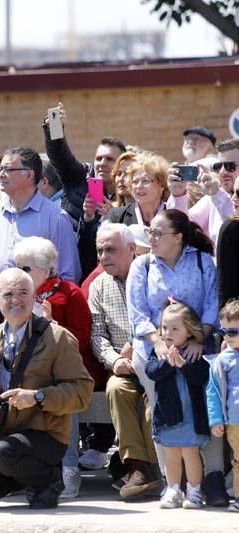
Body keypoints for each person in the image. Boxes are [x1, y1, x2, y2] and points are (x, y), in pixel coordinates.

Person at [0, 268, 94, 510]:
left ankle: (49, 481)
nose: (16, 299)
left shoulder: (58, 338)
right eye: (8, 294)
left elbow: (82, 391)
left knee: (2, 453)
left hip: (45, 434)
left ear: (35, 297)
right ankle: (21, 478)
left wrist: (38, 397)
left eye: (23, 292)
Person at [126, 209, 228, 507]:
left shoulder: (201, 262)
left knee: (207, 410)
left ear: (178, 237)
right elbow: (138, 312)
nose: (151, 238)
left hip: (198, 349)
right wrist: (157, 341)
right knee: (163, 413)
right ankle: (173, 484)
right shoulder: (142, 266)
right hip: (154, 351)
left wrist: (199, 337)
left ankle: (211, 478)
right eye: (150, 232)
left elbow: (212, 303)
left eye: (158, 233)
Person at [13, 236, 104, 499]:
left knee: (63, 396)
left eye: (26, 268)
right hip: (31, 370)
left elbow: (82, 338)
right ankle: (24, 471)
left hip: (67, 367)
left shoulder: (70, 293)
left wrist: (53, 327)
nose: (20, 274)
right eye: (17, 267)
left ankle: (68, 467)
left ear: (47, 269)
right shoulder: (20, 297)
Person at [89, 223, 162, 500]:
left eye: (110, 249)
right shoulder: (98, 286)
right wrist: (115, 360)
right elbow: (97, 335)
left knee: (149, 397)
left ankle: (149, 467)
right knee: (117, 388)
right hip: (123, 365)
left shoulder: (152, 277)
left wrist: (142, 351)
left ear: (132, 250)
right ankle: (139, 465)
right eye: (99, 250)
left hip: (155, 359)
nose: (103, 256)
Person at [0, 146, 80, 329]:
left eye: (8, 169)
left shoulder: (55, 217)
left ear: (29, 174)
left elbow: (69, 274)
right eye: (0, 169)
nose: (1, 174)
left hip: (37, 315)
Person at [146, 302, 211, 509]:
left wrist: (183, 365)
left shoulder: (194, 353)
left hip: (191, 413)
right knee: (171, 452)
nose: (168, 333)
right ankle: (173, 489)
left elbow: (201, 377)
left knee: (190, 452)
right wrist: (168, 363)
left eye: (175, 328)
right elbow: (151, 371)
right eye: (165, 327)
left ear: (190, 332)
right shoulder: (160, 352)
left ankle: (194, 490)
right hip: (168, 414)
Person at [206, 299, 239, 513]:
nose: (227, 336)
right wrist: (216, 419)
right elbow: (213, 392)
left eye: (233, 332)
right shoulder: (222, 360)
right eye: (224, 331)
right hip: (235, 421)